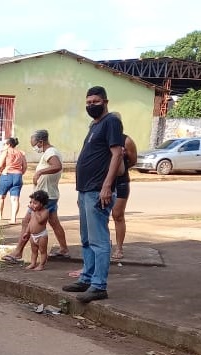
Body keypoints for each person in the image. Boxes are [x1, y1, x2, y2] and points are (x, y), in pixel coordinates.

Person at [62, 86, 124, 303]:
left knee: (99, 241)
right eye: (88, 103)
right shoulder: (95, 125)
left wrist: (107, 186)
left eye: (95, 102)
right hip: (86, 190)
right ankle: (86, 278)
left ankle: (98, 285)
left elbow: (117, 154)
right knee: (87, 239)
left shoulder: (111, 122)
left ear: (105, 102)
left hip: (99, 190)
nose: (91, 106)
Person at [1, 129, 68, 263]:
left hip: (43, 197)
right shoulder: (52, 152)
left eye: (34, 144)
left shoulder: (50, 152)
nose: (34, 147)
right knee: (54, 222)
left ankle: (18, 252)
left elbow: (57, 166)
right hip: (50, 194)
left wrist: (39, 173)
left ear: (41, 142)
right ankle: (63, 249)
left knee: (27, 222)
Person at [110, 113, 138, 261]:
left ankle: (119, 248)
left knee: (118, 215)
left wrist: (120, 168)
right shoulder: (103, 139)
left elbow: (133, 160)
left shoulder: (126, 141)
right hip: (102, 182)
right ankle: (104, 245)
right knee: (100, 216)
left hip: (121, 182)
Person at [0, 137, 27, 223]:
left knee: (1, 197)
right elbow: (25, 166)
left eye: (4, 144)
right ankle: (13, 218)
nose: (3, 146)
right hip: (17, 176)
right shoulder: (20, 153)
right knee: (15, 199)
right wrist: (20, 173)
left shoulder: (6, 152)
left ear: (9, 145)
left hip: (6, 175)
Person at [23, 190, 50, 271]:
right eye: (31, 202)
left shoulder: (45, 212)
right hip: (33, 235)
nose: (32, 205)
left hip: (41, 235)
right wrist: (27, 232)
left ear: (42, 204)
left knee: (42, 251)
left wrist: (35, 211)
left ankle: (41, 265)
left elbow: (40, 221)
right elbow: (30, 223)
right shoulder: (32, 212)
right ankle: (33, 263)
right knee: (34, 251)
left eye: (35, 203)